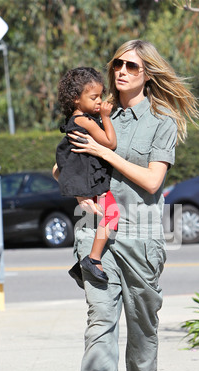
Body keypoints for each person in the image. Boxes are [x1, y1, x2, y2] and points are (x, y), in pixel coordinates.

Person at [65, 39, 199, 371]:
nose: (121, 71)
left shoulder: (163, 122)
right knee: (100, 319)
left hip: (142, 238)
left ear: (147, 74)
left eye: (131, 66)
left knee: (143, 325)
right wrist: (77, 190)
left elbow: (153, 180)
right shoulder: (98, 114)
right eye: (117, 64)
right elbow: (63, 165)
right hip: (96, 236)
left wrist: (104, 153)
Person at [55, 67, 120, 283]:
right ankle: (92, 259)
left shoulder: (74, 120)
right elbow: (110, 143)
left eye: (100, 96)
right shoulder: (84, 120)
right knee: (112, 215)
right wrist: (105, 117)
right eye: (94, 97)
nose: (99, 102)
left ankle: (80, 266)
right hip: (92, 181)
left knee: (105, 216)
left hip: (86, 179)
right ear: (76, 99)